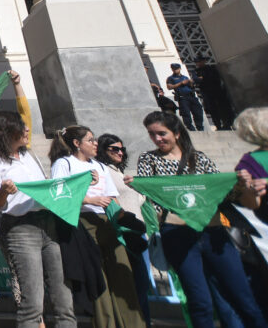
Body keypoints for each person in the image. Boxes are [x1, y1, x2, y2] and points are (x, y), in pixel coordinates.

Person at [133, 111, 266, 327]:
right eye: (152, 135)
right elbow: (153, 196)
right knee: (200, 302)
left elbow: (221, 194)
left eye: (161, 133)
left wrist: (239, 183)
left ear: (176, 133)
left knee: (243, 297)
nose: (157, 139)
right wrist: (140, 185)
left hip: (212, 231)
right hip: (177, 234)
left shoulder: (199, 158)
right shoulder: (149, 159)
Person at [0, 111, 76, 328]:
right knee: (32, 302)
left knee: (64, 298)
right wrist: (4, 191)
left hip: (48, 224)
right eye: (21, 127)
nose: (27, 130)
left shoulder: (29, 155)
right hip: (21, 229)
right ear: (6, 132)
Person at [50, 126, 145, 328]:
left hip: (106, 222)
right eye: (90, 140)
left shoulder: (100, 166)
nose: (95, 144)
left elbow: (111, 198)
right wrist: (90, 199)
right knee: (98, 280)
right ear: (77, 143)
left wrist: (127, 221)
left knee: (123, 276)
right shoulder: (64, 163)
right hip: (81, 223)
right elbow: (59, 195)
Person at [96, 133, 152, 326]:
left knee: (142, 284)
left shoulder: (119, 172)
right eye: (114, 149)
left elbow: (136, 199)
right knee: (134, 284)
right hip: (123, 232)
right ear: (103, 151)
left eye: (122, 149)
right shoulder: (103, 170)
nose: (120, 152)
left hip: (137, 230)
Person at [192, 57, 234, 130]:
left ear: (204, 61)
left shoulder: (211, 69)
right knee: (212, 110)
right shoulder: (196, 71)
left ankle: (227, 124)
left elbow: (215, 78)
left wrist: (203, 78)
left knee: (223, 108)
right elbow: (196, 80)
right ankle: (218, 125)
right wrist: (202, 78)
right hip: (207, 93)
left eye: (200, 61)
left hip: (217, 91)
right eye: (197, 62)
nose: (198, 63)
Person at [166, 63, 204, 131]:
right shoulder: (171, 78)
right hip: (182, 97)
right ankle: (191, 128)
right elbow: (169, 87)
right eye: (174, 69)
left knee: (198, 112)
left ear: (180, 69)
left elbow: (191, 86)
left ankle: (200, 127)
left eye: (177, 69)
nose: (175, 70)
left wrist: (191, 83)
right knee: (186, 114)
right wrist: (181, 83)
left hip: (191, 96)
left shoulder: (185, 77)